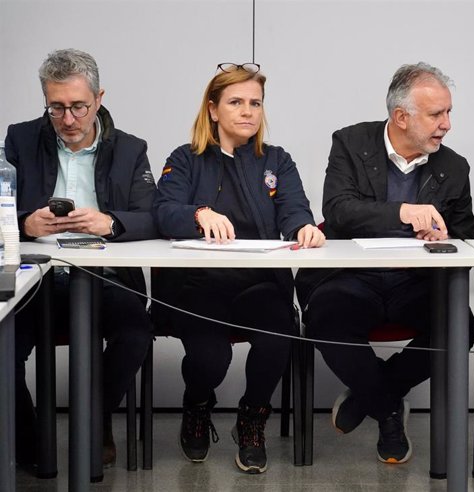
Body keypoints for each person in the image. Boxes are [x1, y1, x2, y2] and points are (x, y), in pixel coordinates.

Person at [295, 62, 474, 464]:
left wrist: (445, 236)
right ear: (401, 117)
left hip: (414, 280)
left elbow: (465, 232)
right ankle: (389, 411)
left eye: (448, 112)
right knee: (328, 318)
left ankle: (374, 397)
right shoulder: (350, 142)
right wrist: (402, 213)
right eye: (436, 114)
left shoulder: (454, 166)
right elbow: (338, 210)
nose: (446, 124)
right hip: (352, 276)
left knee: (461, 324)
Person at [152, 63, 324, 474]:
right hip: (199, 285)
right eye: (235, 102)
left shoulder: (277, 161)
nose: (248, 111)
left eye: (255, 103)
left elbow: (296, 210)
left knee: (277, 333)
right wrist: (198, 214)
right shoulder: (185, 158)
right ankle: (197, 403)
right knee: (211, 359)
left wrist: (304, 227)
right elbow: (161, 211)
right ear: (213, 109)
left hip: (259, 283)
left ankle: (252, 418)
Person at [6, 48, 157, 468]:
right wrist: (25, 223)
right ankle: (30, 437)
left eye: (78, 107)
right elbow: (1, 209)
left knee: (135, 333)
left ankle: (94, 416)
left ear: (99, 98)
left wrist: (110, 222)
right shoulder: (20, 138)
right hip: (35, 278)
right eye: (56, 108)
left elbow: (153, 216)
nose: (68, 120)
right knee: (2, 341)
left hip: (104, 275)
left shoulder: (129, 149)